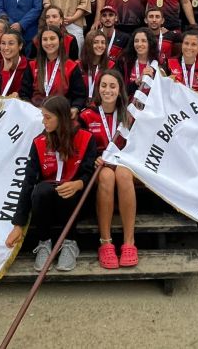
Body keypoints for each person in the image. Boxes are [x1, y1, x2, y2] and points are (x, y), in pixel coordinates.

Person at [5, 96, 96, 272]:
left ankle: (70, 242)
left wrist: (79, 183)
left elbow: (90, 172)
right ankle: (44, 242)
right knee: (41, 190)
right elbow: (28, 182)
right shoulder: (39, 141)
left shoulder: (86, 138)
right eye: (42, 116)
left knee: (69, 189)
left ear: (61, 117)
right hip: (47, 206)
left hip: (75, 204)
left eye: (48, 117)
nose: (43, 121)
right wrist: (18, 225)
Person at [79, 71, 138, 269]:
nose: (107, 90)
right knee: (106, 176)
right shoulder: (87, 115)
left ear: (120, 89)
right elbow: (82, 146)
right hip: (100, 165)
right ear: (98, 89)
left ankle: (129, 242)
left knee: (122, 174)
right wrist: (92, 158)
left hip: (123, 163)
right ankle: (106, 242)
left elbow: (137, 145)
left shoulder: (129, 116)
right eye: (103, 85)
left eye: (112, 86)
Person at [20, 26, 86, 116]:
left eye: (52, 38)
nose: (48, 43)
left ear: (60, 40)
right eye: (45, 39)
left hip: (60, 114)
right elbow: (24, 93)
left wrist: (75, 108)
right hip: (35, 114)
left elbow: (80, 95)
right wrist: (30, 108)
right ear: (40, 42)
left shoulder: (71, 66)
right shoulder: (32, 65)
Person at [0, 29, 29, 97]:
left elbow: (31, 95)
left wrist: (21, 97)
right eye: (3, 43)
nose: (6, 48)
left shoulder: (30, 66)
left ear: (20, 46)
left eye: (11, 43)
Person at [114, 27, 158, 96]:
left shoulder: (158, 63)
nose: (139, 44)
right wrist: (136, 82)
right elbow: (117, 90)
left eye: (143, 41)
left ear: (150, 43)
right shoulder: (124, 62)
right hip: (128, 105)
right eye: (136, 41)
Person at [78, 29, 114, 104]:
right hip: (80, 106)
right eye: (95, 42)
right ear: (88, 44)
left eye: (103, 42)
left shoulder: (111, 65)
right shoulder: (78, 65)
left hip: (102, 107)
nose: (100, 46)